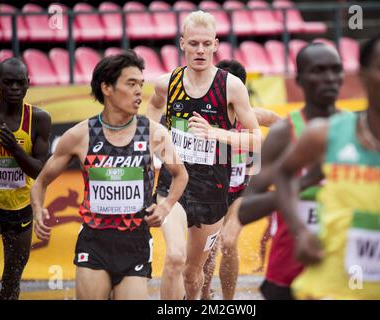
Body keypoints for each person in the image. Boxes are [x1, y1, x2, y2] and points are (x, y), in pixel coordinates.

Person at [274, 31, 380, 299]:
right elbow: (283, 173)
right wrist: (299, 229)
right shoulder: (324, 134)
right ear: (363, 75)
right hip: (330, 291)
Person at [31, 50, 188, 300]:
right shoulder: (80, 136)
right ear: (107, 87)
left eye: (141, 84)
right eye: (131, 84)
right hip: (94, 241)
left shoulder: (154, 133)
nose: (139, 91)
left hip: (135, 241)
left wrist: (166, 206)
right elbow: (41, 182)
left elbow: (181, 175)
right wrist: (38, 210)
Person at [146, 11, 261, 300]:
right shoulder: (166, 82)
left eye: (206, 44)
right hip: (173, 184)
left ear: (215, 45)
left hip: (212, 190)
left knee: (192, 273)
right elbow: (151, 112)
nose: (199, 50)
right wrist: (155, 144)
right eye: (193, 43)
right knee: (173, 257)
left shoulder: (231, 86)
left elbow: (256, 141)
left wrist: (216, 134)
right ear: (182, 43)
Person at [225, 43, 344, 299]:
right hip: (289, 272)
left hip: (344, 269)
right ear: (300, 79)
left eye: (336, 70)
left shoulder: (357, 132)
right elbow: (246, 209)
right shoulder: (283, 134)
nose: (329, 78)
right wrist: (306, 183)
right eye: (319, 70)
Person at [199, 59, 280, 300]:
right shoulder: (208, 118)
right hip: (212, 190)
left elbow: (286, 125)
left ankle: (228, 301)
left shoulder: (254, 115)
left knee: (228, 242)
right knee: (208, 249)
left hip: (240, 191)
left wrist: (274, 153)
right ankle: (204, 296)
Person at [0, 57, 52, 300]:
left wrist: (16, 150)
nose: (14, 89)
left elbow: (39, 171)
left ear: (28, 84)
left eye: (19, 84)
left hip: (21, 210)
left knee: (12, 285)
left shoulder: (39, 119)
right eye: (8, 83)